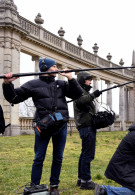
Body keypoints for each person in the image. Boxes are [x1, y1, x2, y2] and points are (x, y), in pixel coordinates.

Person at [2, 58, 83, 195]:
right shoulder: (33, 84)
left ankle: (54, 186)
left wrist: (71, 79)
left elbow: (78, 94)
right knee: (39, 157)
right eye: (54, 66)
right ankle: (35, 187)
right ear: (46, 68)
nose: (57, 68)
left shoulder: (61, 84)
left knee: (58, 157)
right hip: (43, 127)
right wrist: (7, 84)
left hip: (61, 126)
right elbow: (14, 98)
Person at [73, 72, 102, 190]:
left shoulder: (84, 92)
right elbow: (80, 101)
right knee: (88, 154)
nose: (90, 82)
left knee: (84, 153)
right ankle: (86, 181)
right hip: (86, 126)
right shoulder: (78, 91)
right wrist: (94, 95)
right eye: (88, 80)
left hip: (86, 126)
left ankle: (81, 179)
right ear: (82, 80)